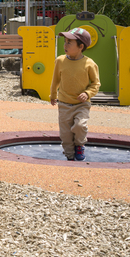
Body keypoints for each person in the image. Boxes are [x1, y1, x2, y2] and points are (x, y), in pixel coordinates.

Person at [49, 27, 101, 162]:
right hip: (64, 104)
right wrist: (53, 95)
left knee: (80, 126)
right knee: (65, 135)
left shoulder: (89, 64)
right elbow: (55, 80)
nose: (65, 45)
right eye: (65, 42)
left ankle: (79, 145)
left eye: (69, 42)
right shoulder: (60, 61)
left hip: (81, 104)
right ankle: (69, 156)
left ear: (81, 46)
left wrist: (87, 93)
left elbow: (96, 84)